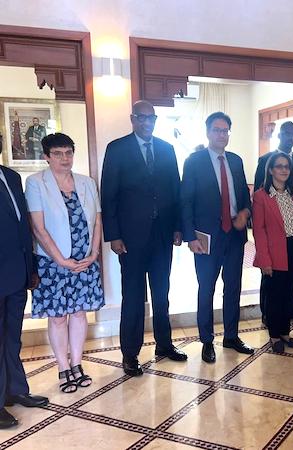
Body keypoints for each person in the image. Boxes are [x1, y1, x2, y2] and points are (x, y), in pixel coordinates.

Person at [101, 100, 187, 377]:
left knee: (162, 294)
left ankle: (164, 344)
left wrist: (178, 227)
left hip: (162, 236)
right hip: (131, 239)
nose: (147, 122)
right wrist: (113, 235)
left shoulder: (166, 149)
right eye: (142, 117)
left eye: (151, 118)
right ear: (133, 119)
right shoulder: (117, 149)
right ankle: (130, 353)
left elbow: (175, 191)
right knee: (134, 296)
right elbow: (108, 195)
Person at [25, 133, 104, 393]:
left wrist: (93, 254)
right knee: (58, 317)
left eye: (68, 152)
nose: (64, 158)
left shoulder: (87, 182)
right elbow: (38, 228)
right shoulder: (36, 183)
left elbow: (97, 221)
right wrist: (61, 260)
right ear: (46, 157)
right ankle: (63, 367)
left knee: (80, 313)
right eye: (58, 154)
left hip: (84, 261)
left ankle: (77, 364)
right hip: (53, 263)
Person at [181, 111, 254, 364]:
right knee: (206, 288)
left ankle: (231, 336)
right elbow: (186, 201)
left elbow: (244, 197)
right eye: (217, 130)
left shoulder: (235, 161)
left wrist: (245, 212)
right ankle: (207, 340)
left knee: (233, 287)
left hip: (234, 235)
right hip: (206, 238)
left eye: (225, 131)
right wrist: (190, 237)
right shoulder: (194, 161)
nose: (221, 135)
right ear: (208, 132)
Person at [0, 157, 48, 429]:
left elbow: (22, 227)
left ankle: (15, 390)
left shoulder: (11, 177)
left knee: (12, 337)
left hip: (17, 273)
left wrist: (31, 267)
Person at [252, 153, 293, 352]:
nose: (284, 170)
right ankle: (274, 335)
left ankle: (285, 333)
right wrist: (264, 259)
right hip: (275, 250)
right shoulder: (261, 196)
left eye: (287, 166)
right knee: (274, 295)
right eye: (279, 166)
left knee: (289, 292)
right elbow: (259, 230)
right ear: (270, 170)